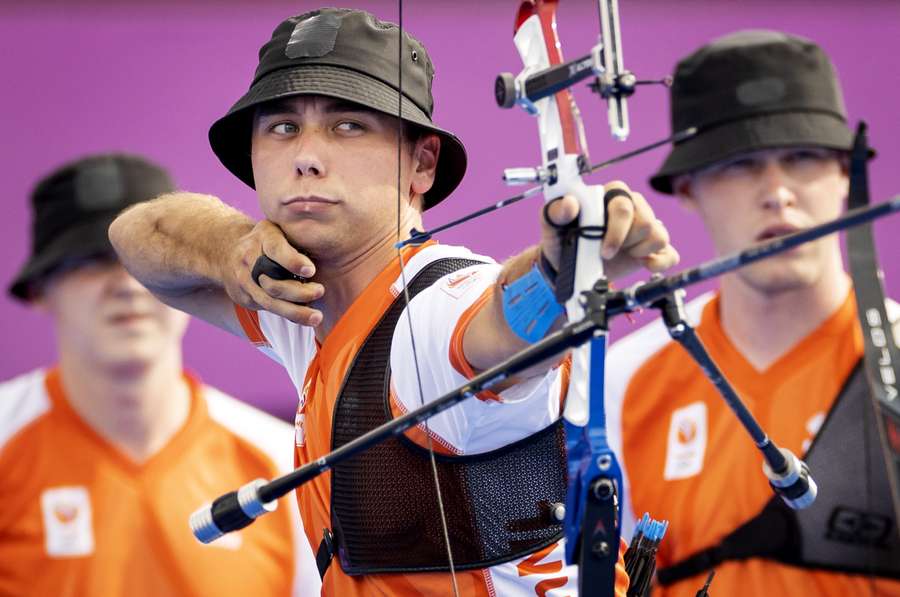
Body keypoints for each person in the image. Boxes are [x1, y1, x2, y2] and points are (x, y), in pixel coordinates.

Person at [109, 8, 679, 596]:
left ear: (422, 163)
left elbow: (498, 327)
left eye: (347, 125)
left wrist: (563, 267)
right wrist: (228, 244)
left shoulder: (434, 312)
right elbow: (138, 237)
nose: (306, 156)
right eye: (282, 127)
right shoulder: (297, 305)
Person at [605, 30, 900, 596]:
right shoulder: (622, 381)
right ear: (687, 189)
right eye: (739, 164)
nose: (777, 192)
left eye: (803, 156)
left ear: (845, 171)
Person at [0, 153, 320, 597]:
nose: (126, 285)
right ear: (38, 291)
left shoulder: (281, 460)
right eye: (90, 261)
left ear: (193, 286)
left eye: (145, 267)